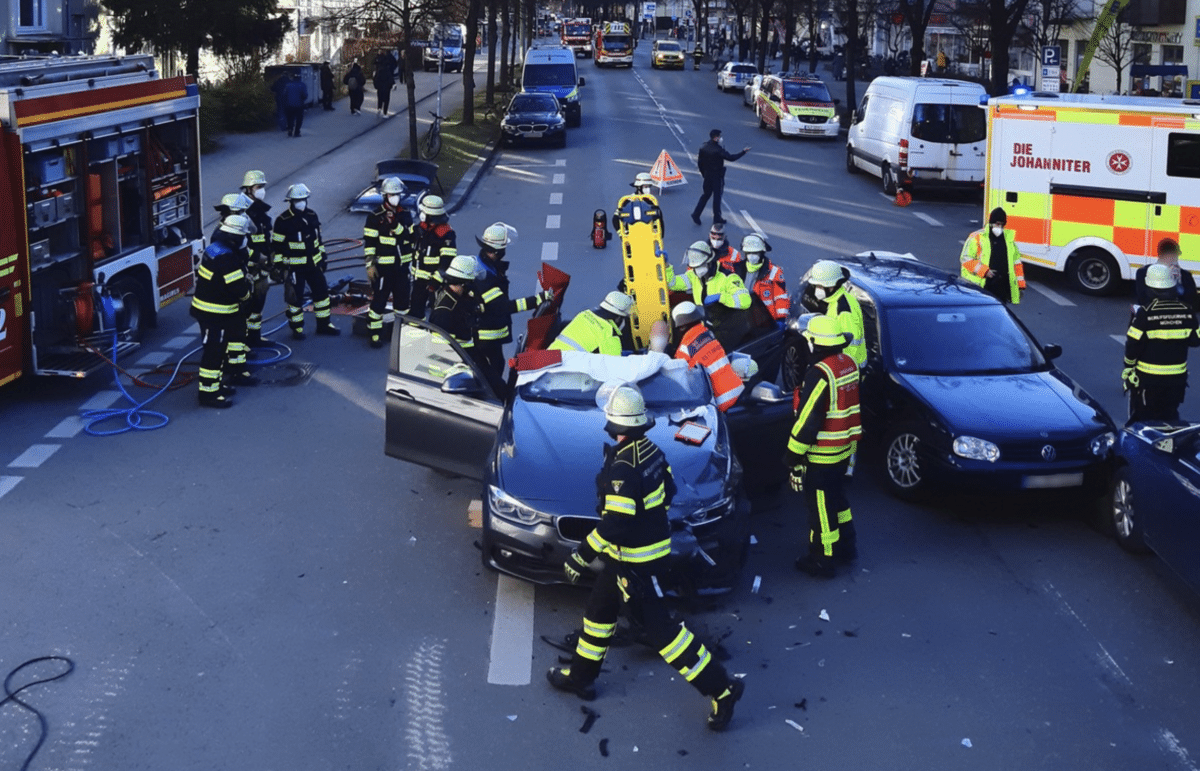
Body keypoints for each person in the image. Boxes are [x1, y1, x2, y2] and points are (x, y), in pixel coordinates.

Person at [547, 383, 745, 732]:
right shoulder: (651, 452)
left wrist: (581, 557)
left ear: (614, 423)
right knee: (599, 613)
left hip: (636, 565)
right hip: (630, 560)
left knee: (664, 635)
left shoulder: (623, 467)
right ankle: (581, 676)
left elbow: (616, 525)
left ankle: (722, 688)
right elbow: (666, 493)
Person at [785, 315, 862, 577]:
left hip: (822, 455)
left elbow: (808, 421)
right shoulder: (848, 364)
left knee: (820, 509)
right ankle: (847, 546)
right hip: (844, 450)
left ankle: (822, 558)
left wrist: (792, 457)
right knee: (838, 500)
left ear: (815, 343)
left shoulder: (820, 373)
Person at [474, 223, 554, 377]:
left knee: (495, 365)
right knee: (492, 371)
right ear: (496, 251)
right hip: (487, 335)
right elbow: (503, 306)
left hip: (489, 335)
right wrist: (536, 300)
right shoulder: (486, 276)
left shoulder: (487, 266)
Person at [1123, 264, 1200, 423]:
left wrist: (1129, 367)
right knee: (1169, 417)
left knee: (1144, 420)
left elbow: (1133, 345)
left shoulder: (1146, 313)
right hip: (1177, 379)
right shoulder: (1187, 310)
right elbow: (1195, 340)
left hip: (1148, 380)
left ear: (1149, 289)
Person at [191, 214, 254, 408]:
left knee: (220, 349)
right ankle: (208, 395)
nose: (245, 240)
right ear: (234, 238)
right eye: (243, 236)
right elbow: (238, 288)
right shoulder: (227, 258)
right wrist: (248, 298)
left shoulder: (215, 249)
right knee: (214, 353)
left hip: (216, 309)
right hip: (214, 313)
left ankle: (217, 385)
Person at [273, 184, 340, 339]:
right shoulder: (283, 221)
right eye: (298, 200)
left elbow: (318, 240)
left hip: (314, 265)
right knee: (295, 298)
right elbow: (277, 246)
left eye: (303, 199)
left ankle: (324, 324)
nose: (301, 202)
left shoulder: (312, 215)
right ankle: (297, 328)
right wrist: (279, 267)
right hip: (295, 267)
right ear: (291, 201)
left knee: (322, 294)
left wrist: (323, 258)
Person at [363, 177, 415, 348]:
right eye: (392, 194)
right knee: (379, 302)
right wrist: (370, 264)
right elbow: (369, 243)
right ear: (385, 196)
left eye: (398, 194)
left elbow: (410, 236)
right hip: (383, 269)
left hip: (401, 268)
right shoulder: (374, 217)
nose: (396, 197)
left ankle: (401, 336)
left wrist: (396, 226)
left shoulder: (405, 214)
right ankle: (374, 334)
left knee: (402, 304)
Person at [672, 302, 744, 411]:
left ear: (681, 327)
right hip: (739, 389)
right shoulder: (708, 334)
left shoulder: (684, 351)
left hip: (721, 402)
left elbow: (681, 385)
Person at [666, 241, 752, 321]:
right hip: (703, 321)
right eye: (695, 267)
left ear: (710, 262)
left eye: (700, 266)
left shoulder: (728, 278)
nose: (697, 270)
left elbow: (745, 301)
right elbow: (673, 284)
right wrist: (666, 266)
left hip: (724, 324)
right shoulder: (693, 275)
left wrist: (721, 297)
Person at [806, 260, 866, 367]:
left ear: (831, 287)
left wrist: (838, 371)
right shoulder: (834, 301)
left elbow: (850, 347)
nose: (816, 290)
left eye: (819, 286)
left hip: (849, 369)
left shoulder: (844, 311)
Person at [960, 207, 1026, 305]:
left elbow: (1016, 263)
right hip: (983, 285)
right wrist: (985, 271)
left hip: (1002, 286)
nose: (999, 227)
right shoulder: (977, 237)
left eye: (1002, 225)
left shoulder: (1008, 240)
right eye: (997, 224)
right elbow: (965, 259)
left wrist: (1020, 286)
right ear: (991, 223)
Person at [240, 170, 276, 347]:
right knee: (245, 307)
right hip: (247, 268)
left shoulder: (261, 210)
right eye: (258, 187)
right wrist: (256, 256)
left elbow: (265, 237)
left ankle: (254, 338)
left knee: (258, 306)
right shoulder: (242, 213)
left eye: (263, 186)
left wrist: (272, 255)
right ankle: (242, 343)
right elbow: (237, 244)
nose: (262, 190)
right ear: (248, 189)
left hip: (261, 267)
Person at [411, 195, 457, 319]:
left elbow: (447, 261)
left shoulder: (445, 233)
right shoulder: (422, 228)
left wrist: (435, 282)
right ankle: (417, 334)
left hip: (434, 282)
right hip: (418, 280)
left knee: (436, 313)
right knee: (416, 311)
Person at [724, 233, 789, 322]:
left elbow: (781, 298)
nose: (751, 256)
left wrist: (781, 319)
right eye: (749, 253)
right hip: (741, 317)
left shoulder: (774, 272)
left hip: (765, 320)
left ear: (762, 252)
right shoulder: (735, 269)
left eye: (755, 253)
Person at [691, 129, 749, 226]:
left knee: (705, 195)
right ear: (716, 138)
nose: (721, 138)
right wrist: (743, 152)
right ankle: (717, 218)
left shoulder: (704, 147)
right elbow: (731, 158)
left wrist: (704, 174)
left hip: (707, 176)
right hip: (717, 176)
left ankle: (696, 214)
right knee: (717, 197)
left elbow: (700, 163)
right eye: (719, 136)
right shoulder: (718, 150)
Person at [429, 255, 480, 362]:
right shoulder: (445, 311)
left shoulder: (457, 296)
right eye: (470, 281)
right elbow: (443, 352)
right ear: (463, 283)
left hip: (469, 356)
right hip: (460, 364)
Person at [549, 292, 632, 355]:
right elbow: (614, 367)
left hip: (547, 361)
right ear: (618, 318)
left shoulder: (584, 314)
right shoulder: (609, 333)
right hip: (568, 373)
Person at [1135, 238, 1198, 310]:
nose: (1175, 259)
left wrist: (1178, 283)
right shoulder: (1144, 273)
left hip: (1178, 314)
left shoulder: (1185, 275)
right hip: (1153, 313)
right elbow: (1143, 300)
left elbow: (1193, 302)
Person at [283, 71, 307, 137]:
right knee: (299, 119)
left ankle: (290, 129)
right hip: (299, 105)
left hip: (289, 105)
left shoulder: (288, 85)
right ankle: (297, 132)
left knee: (290, 118)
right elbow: (305, 95)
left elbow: (284, 95)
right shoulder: (302, 85)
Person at [373, 50, 396, 116]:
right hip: (386, 87)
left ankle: (379, 108)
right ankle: (385, 113)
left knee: (380, 97)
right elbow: (390, 77)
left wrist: (376, 85)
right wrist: (393, 84)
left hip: (380, 87)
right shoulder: (387, 69)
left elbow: (375, 79)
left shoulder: (378, 70)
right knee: (386, 99)